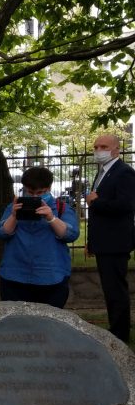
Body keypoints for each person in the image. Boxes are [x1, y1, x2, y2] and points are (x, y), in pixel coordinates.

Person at [0, 166, 79, 308]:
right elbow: (0, 233)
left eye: (41, 193)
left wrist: (51, 218)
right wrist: (14, 216)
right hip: (15, 276)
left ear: (49, 188)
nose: (35, 197)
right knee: (16, 324)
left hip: (51, 278)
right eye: (30, 192)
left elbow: (71, 235)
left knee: (49, 324)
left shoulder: (61, 208)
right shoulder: (13, 207)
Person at [86, 134, 135, 342]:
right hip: (104, 241)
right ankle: (115, 328)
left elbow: (126, 205)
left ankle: (120, 334)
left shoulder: (124, 173)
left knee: (116, 291)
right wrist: (92, 240)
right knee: (110, 289)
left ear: (117, 149)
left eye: (104, 146)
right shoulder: (103, 172)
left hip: (116, 242)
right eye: (96, 146)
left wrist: (95, 202)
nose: (99, 150)